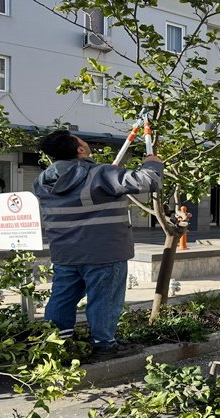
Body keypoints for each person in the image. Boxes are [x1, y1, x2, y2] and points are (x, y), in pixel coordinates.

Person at [33, 130, 162, 362]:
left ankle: (56, 343)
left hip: (65, 253)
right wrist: (152, 164)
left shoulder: (43, 181)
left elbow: (81, 196)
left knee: (62, 298)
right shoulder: (100, 173)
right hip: (104, 252)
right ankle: (104, 346)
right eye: (81, 140)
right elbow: (149, 181)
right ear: (80, 150)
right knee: (105, 299)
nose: (85, 141)